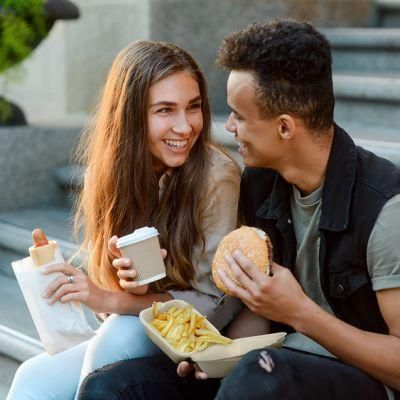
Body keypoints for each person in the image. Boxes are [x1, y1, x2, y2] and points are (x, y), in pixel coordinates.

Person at [77, 19, 400, 400]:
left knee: (256, 376)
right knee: (112, 387)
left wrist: (300, 313)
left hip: (356, 381)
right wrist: (215, 355)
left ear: (284, 127)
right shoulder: (261, 186)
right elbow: (252, 310)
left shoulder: (384, 210)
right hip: (262, 365)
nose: (227, 127)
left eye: (240, 116)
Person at [7, 40, 245, 400]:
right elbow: (118, 297)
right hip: (134, 326)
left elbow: (215, 305)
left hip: (198, 345)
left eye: (193, 107)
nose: (185, 126)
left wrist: (114, 300)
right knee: (32, 379)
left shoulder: (216, 175)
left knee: (117, 337)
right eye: (165, 110)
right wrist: (127, 291)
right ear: (131, 114)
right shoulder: (106, 177)